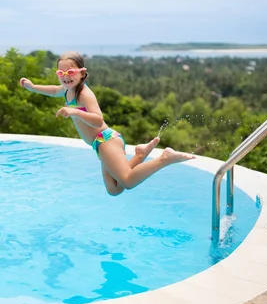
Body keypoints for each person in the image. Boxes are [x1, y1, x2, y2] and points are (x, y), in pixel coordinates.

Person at [19, 51, 195, 196]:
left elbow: (98, 119)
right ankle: (140, 155)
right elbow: (55, 90)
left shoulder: (84, 94)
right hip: (99, 144)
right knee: (114, 189)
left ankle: (165, 158)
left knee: (127, 181)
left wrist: (74, 111)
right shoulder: (67, 90)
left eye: (70, 72)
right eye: (61, 73)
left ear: (81, 72)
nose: (65, 77)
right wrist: (33, 87)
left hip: (106, 140)